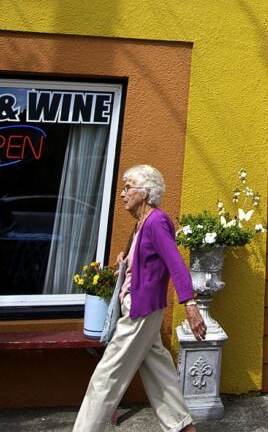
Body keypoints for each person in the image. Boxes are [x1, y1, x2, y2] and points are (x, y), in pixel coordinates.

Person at [73, 165, 207, 432]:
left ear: (144, 193)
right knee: (159, 372)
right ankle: (183, 426)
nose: (122, 194)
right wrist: (126, 262)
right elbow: (145, 262)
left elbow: (175, 263)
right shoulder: (141, 224)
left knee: (107, 375)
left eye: (127, 187)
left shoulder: (157, 221)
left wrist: (190, 305)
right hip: (139, 307)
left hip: (140, 311)